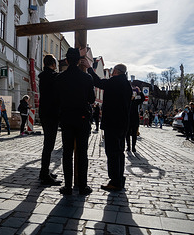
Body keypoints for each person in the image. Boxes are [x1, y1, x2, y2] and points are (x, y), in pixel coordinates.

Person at [82, 58, 132, 192]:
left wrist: (89, 68)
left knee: (112, 152)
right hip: (123, 125)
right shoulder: (127, 85)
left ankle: (115, 181)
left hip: (113, 124)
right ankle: (120, 179)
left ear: (115, 71)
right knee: (119, 152)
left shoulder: (116, 82)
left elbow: (98, 82)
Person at [55, 48, 95, 196]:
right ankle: (83, 186)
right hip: (82, 119)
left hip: (66, 118)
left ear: (66, 60)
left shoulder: (59, 78)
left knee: (67, 153)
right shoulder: (87, 78)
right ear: (79, 61)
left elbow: (57, 100)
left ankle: (67, 186)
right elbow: (91, 99)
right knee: (82, 153)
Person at [38, 54, 61, 186]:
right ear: (53, 64)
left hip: (45, 112)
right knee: (49, 145)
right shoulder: (53, 76)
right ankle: (44, 174)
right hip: (51, 113)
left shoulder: (43, 76)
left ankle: (44, 171)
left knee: (48, 144)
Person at [126, 87, 145, 152]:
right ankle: (128, 146)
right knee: (127, 134)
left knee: (134, 134)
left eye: (134, 95)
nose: (132, 96)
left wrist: (140, 92)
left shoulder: (136, 102)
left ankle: (133, 147)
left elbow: (143, 99)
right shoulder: (126, 101)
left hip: (135, 120)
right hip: (128, 120)